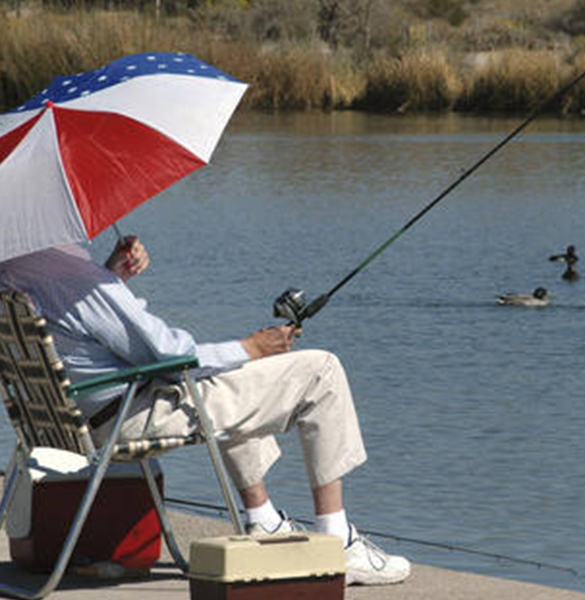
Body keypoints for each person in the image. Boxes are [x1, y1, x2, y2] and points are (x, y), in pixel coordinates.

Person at [0, 236, 410, 586]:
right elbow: (169, 352)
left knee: (236, 376)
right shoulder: (76, 278)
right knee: (321, 370)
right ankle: (338, 539)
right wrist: (250, 347)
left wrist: (113, 276)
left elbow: (77, 330)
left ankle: (263, 519)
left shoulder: (14, 270)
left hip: (77, 421)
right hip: (134, 415)